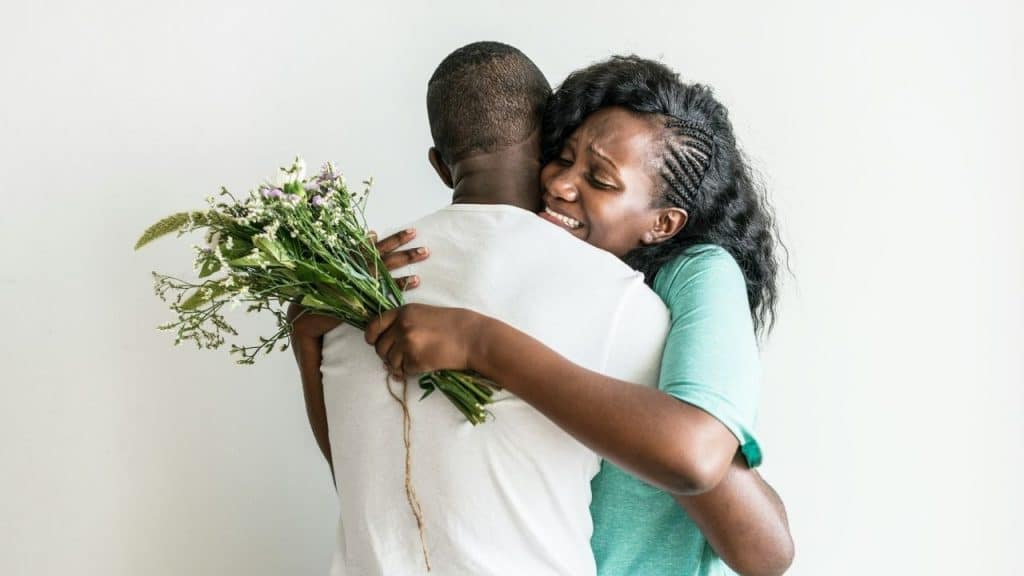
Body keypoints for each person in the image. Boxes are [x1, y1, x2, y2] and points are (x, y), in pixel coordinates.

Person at [291, 45, 792, 575]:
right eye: (561, 156)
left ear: (663, 223)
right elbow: (374, 477)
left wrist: (482, 343)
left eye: (599, 180)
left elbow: (747, 527)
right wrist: (310, 338)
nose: (557, 184)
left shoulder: (690, 277)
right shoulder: (545, 273)